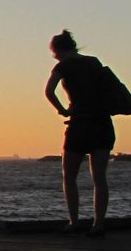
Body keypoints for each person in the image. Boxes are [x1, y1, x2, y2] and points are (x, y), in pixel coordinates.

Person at [45, 29, 114, 237]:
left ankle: (74, 221)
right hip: (102, 123)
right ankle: (98, 223)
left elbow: (49, 91)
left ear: (58, 50)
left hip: (80, 125)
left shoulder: (63, 66)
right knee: (100, 178)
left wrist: (63, 110)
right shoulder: (93, 62)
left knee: (69, 176)